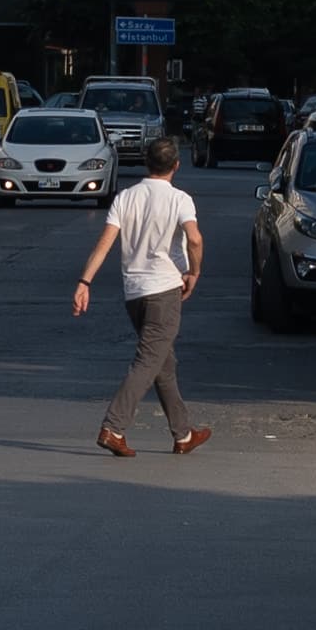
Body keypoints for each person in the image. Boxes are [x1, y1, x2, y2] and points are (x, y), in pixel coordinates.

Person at [73, 136, 211, 460]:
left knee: (164, 363)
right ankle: (113, 427)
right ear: (176, 165)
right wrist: (195, 271)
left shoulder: (126, 197)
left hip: (133, 293)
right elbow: (195, 238)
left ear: (147, 163)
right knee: (148, 361)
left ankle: (183, 433)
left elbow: (104, 244)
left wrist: (85, 281)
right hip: (164, 291)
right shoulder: (180, 199)